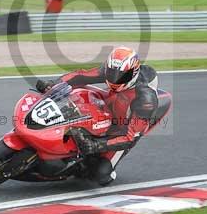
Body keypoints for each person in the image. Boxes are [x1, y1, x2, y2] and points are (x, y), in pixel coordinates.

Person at [35, 46, 165, 185]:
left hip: (126, 125)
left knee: (100, 175)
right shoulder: (113, 71)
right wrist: (54, 85)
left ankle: (98, 167)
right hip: (113, 102)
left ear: (133, 74)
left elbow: (130, 137)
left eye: (121, 77)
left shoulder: (146, 99)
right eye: (112, 73)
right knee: (79, 95)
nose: (115, 79)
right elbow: (80, 76)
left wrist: (96, 146)